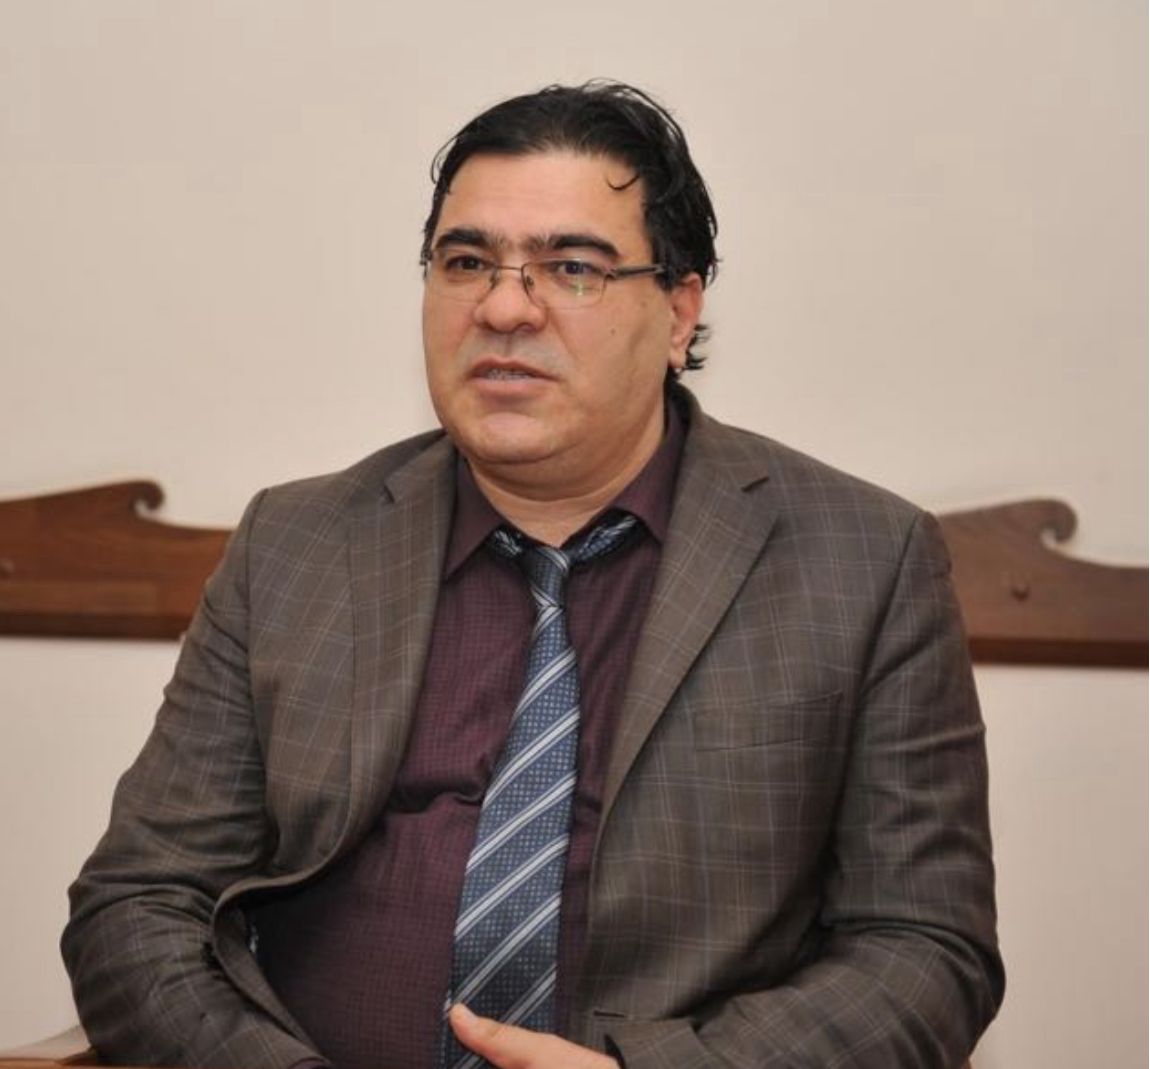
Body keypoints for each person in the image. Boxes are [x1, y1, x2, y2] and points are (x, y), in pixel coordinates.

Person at [62, 81, 1003, 1069]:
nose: (504, 307)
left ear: (678, 312)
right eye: (466, 262)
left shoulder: (862, 561)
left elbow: (924, 950)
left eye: (572, 268)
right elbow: (139, 903)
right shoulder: (296, 544)